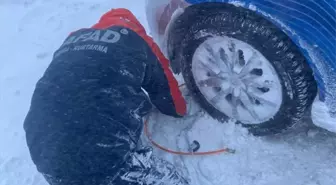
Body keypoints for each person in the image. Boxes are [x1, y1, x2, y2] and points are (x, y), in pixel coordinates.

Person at [23, 8, 189, 185]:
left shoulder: (72, 40)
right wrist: (180, 109)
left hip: (45, 153)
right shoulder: (135, 39)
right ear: (136, 27)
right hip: (102, 154)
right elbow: (169, 97)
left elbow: (80, 85)